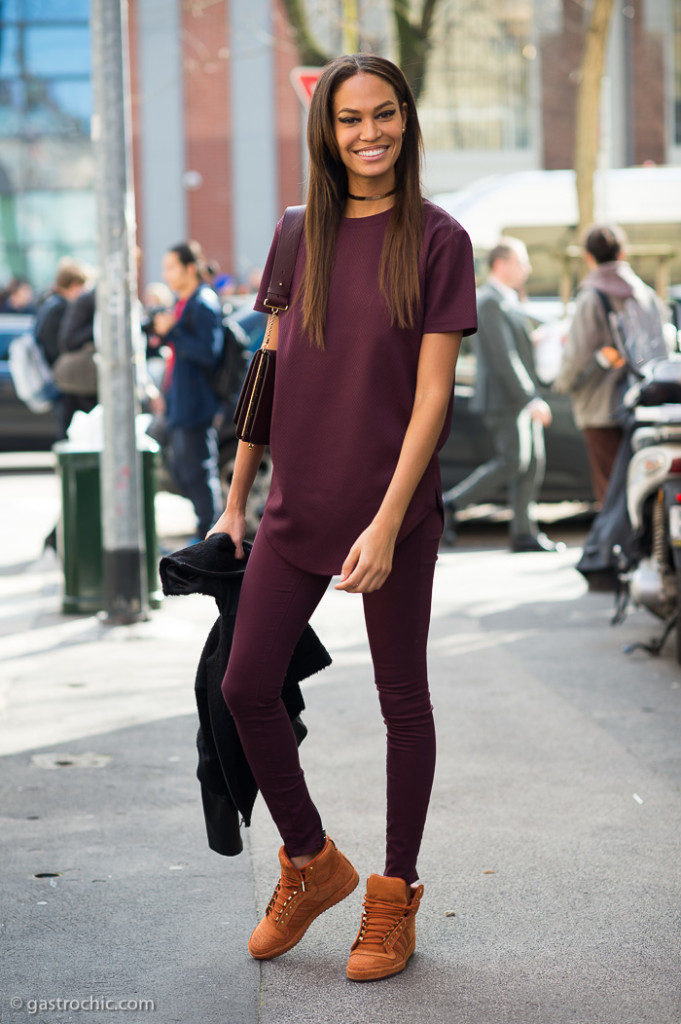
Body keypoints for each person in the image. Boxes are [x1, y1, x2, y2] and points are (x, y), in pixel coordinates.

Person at [207, 53, 477, 981]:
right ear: (326, 132)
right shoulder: (296, 233)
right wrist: (236, 499)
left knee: (401, 698)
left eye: (384, 115)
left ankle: (393, 895)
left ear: (407, 119)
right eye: (349, 118)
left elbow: (432, 396)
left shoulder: (439, 237)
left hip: (392, 510)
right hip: (294, 503)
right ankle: (312, 861)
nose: (368, 133)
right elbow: (267, 370)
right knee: (245, 687)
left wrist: (388, 521)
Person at [443, 237, 562, 552]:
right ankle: (449, 505)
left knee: (531, 462)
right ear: (501, 264)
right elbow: (502, 357)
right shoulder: (489, 300)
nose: (528, 269)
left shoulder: (505, 299)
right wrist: (530, 398)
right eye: (521, 262)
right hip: (504, 398)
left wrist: (536, 341)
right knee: (513, 461)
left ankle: (524, 533)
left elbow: (512, 349)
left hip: (514, 397)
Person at [553, 224, 668, 504]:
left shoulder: (591, 297)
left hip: (600, 406)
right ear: (623, 252)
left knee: (610, 490)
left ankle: (615, 545)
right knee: (645, 485)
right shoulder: (646, 295)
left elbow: (577, 355)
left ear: (589, 257)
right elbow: (662, 349)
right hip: (644, 404)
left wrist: (562, 384)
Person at [153, 241, 223, 540]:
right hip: (180, 401)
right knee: (183, 469)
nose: (167, 275)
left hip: (196, 402)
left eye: (171, 267)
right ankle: (206, 530)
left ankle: (212, 534)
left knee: (198, 471)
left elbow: (208, 352)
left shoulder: (203, 302)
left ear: (190, 268)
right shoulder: (185, 301)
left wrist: (172, 331)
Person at [34, 259, 89, 439]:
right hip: (63, 379)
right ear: (74, 286)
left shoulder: (48, 303)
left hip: (56, 376)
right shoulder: (60, 308)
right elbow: (59, 345)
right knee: (69, 430)